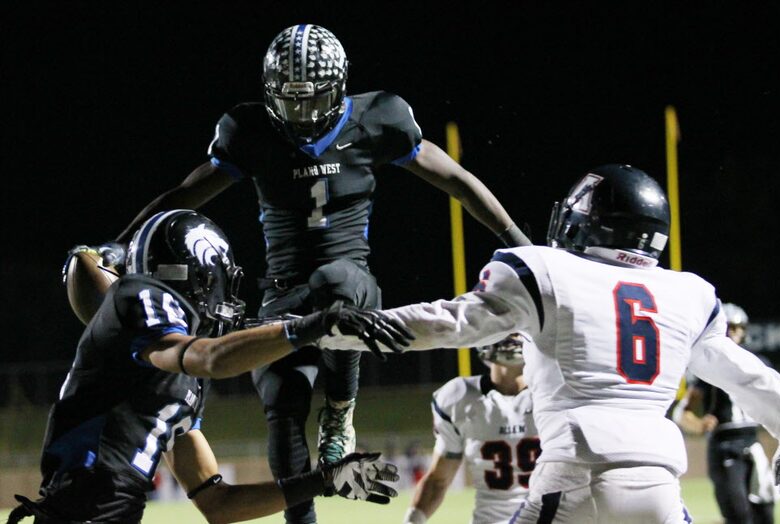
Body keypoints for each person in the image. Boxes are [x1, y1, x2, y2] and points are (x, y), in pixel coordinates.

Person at [106, 22, 530, 524]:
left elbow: (456, 180)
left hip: (353, 287)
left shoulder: (378, 118)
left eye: (313, 100)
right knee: (282, 408)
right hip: (283, 295)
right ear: (270, 97)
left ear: (340, 87)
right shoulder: (250, 130)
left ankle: (340, 412)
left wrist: (520, 245)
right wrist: (122, 241)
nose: (303, 113)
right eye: (290, 101)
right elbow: (184, 193)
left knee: (336, 282)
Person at [318, 164, 780, 523]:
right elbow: (749, 377)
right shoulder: (687, 293)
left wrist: (328, 329)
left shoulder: (547, 271)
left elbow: (447, 323)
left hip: (575, 473)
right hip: (660, 484)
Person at [7, 210, 409, 524]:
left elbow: (218, 504)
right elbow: (210, 358)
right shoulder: (141, 298)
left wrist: (324, 481)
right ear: (197, 275)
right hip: (83, 510)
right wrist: (311, 326)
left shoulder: (172, 376)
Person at [673, 303, 780, 524]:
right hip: (724, 447)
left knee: (765, 511)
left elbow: (778, 399)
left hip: (752, 444)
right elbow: (682, 412)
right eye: (730, 327)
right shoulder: (706, 366)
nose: (734, 333)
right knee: (738, 513)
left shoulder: (757, 363)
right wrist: (698, 424)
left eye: (738, 328)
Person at [403, 333, 539, 524]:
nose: (511, 338)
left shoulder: (555, 393)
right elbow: (438, 481)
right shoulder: (460, 397)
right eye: (504, 331)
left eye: (516, 331)